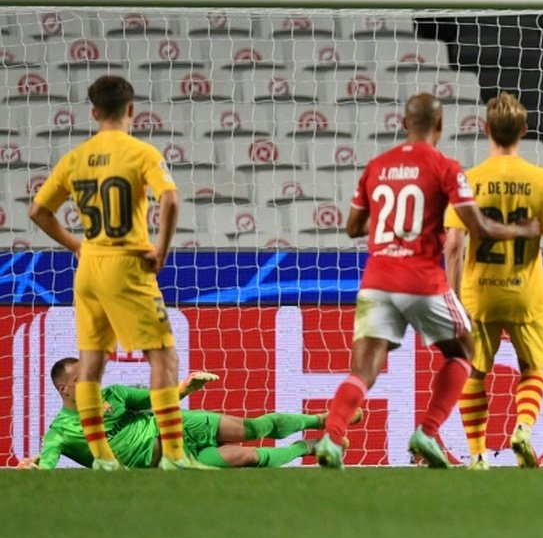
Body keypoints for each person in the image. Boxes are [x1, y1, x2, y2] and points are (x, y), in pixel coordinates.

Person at [315, 93, 540, 470]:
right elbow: (478, 226)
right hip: (420, 278)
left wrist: (392, 224)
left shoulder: (377, 166)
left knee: (363, 371)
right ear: (440, 127)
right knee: (463, 349)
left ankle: (332, 438)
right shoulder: (445, 167)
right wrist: (521, 229)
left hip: (376, 278)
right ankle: (428, 432)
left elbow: (353, 226)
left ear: (404, 124)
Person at [27, 75, 204, 471]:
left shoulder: (75, 157)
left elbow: (38, 211)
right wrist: (160, 250)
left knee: (91, 363)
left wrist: (76, 245)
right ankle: (174, 456)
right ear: (131, 110)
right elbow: (171, 199)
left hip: (89, 268)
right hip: (127, 264)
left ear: (93, 112)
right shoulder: (140, 153)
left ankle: (104, 460)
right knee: (163, 357)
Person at [442, 92, 543, 470]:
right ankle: (523, 430)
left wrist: (453, 298)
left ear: (486, 130)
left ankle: (479, 454)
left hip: (479, 294)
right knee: (533, 368)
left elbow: (452, 245)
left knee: (475, 371)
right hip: (525, 295)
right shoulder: (541, 179)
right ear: (524, 132)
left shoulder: (467, 180)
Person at [16, 357, 357, 470]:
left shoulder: (113, 394)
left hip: (180, 425)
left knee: (251, 427)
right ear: (64, 389)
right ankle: (309, 448)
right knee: (249, 456)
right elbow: (45, 464)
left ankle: (320, 420)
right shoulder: (60, 432)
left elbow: (158, 398)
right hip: (172, 460)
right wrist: (31, 467)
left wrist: (185, 389)